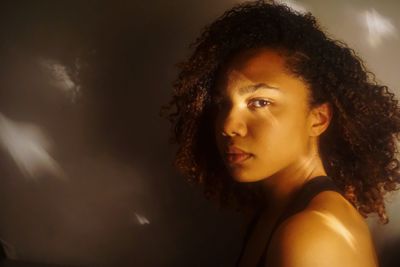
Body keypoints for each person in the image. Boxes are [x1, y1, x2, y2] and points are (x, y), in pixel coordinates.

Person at [161, 1, 400, 266]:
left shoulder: (312, 233)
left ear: (318, 119)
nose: (227, 126)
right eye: (222, 104)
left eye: (260, 102)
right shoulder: (273, 211)